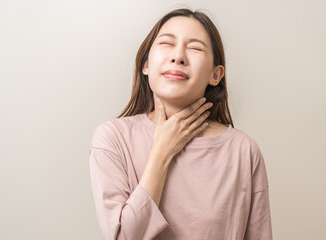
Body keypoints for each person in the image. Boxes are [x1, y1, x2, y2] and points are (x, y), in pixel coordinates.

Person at [89, 8, 273, 240]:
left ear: (215, 75)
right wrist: (162, 152)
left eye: (195, 48)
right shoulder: (112, 138)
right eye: (167, 43)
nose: (178, 57)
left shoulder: (243, 151)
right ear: (146, 64)